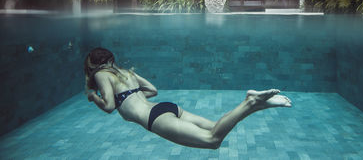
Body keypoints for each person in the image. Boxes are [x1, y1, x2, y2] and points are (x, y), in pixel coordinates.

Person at [84, 47, 292, 149]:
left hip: (155, 119)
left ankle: (251, 101)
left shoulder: (101, 75)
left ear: (94, 64)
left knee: (213, 141)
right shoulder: (125, 73)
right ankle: (258, 105)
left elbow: (109, 106)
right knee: (216, 125)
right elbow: (153, 90)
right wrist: (133, 96)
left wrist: (93, 96)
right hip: (165, 108)